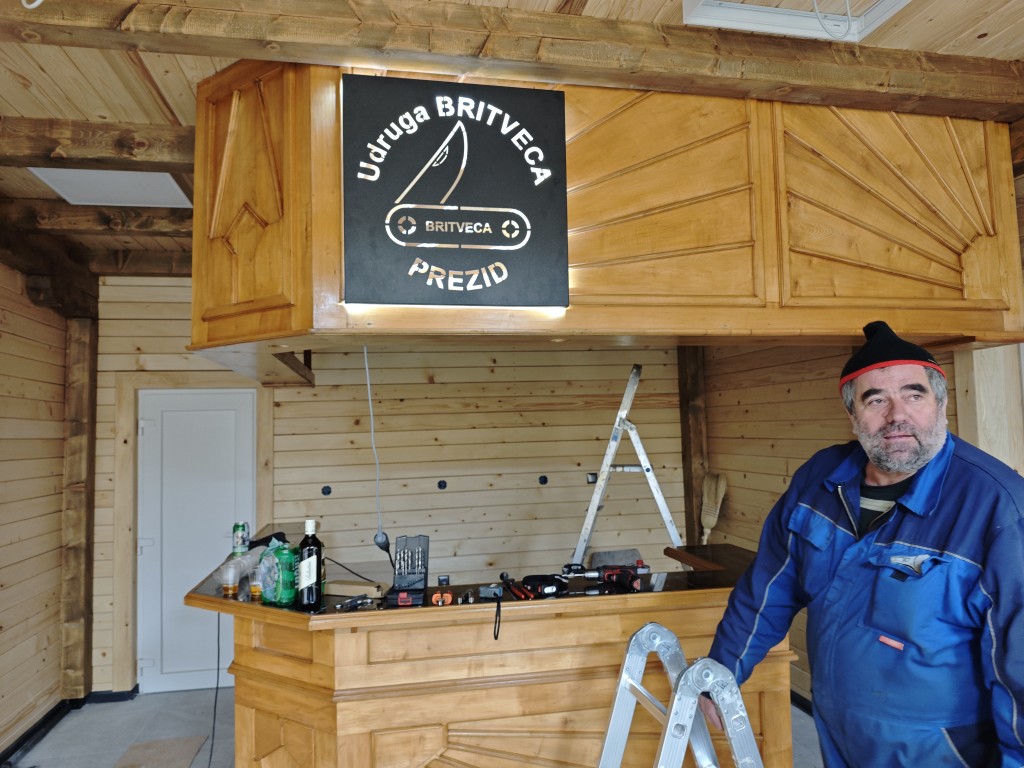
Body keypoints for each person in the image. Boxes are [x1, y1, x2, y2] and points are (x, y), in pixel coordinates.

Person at [700, 320, 1024, 767]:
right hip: (838, 731)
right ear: (853, 416)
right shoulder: (819, 481)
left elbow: (1019, 657)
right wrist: (722, 672)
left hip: (943, 749)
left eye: (914, 395)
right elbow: (769, 587)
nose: (897, 416)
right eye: (876, 400)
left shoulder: (997, 507)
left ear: (941, 404)